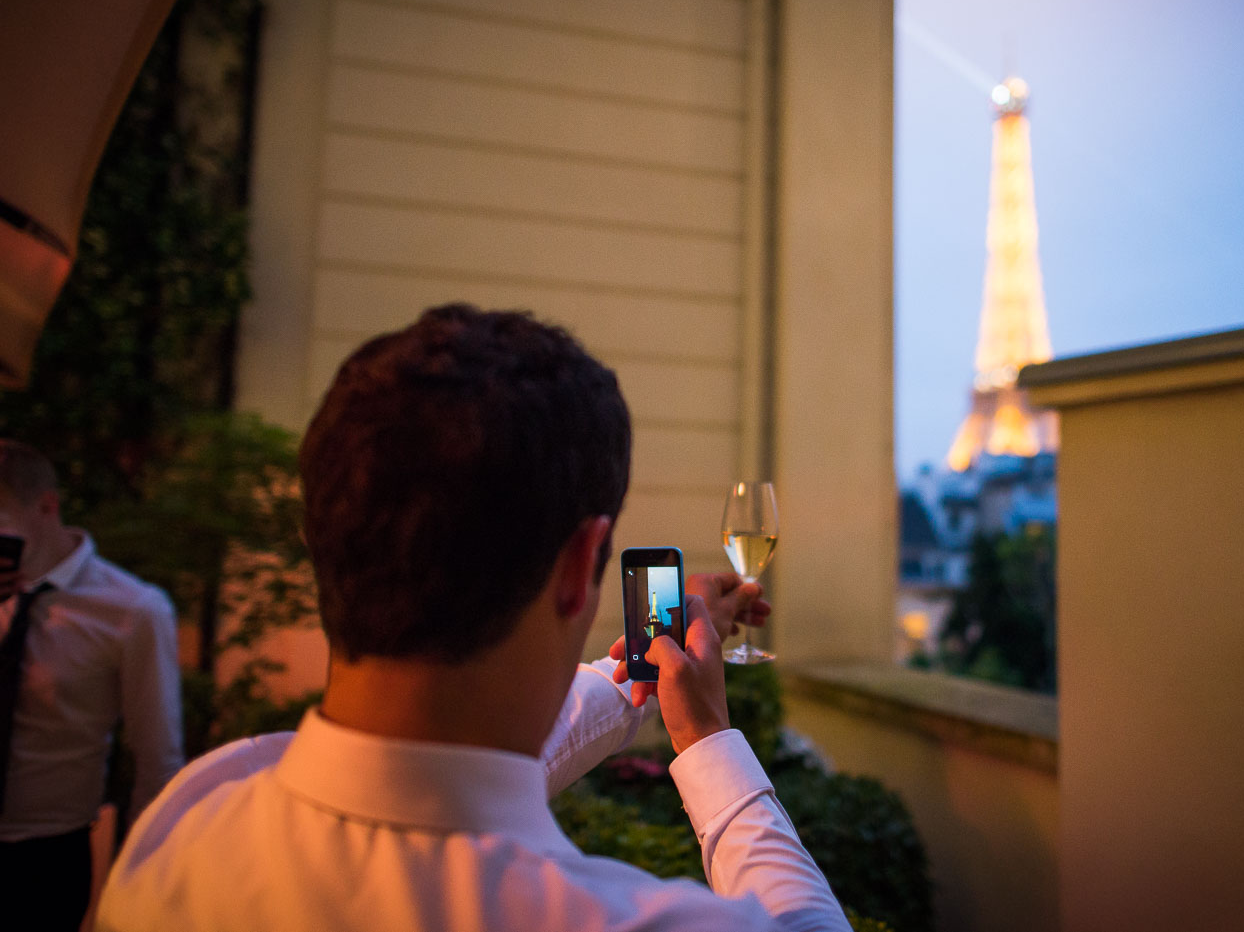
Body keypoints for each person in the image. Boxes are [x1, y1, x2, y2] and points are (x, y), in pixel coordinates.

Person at [98, 305, 851, 931]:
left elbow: (442, 764)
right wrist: (708, 737)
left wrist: (640, 681)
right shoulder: (627, 918)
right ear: (579, 561)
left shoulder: (186, 820)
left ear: (322, 535)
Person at [0, 440, 183, 932]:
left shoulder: (132, 609)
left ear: (46, 506)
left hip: (42, 857)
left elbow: (156, 755)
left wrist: (144, 877)